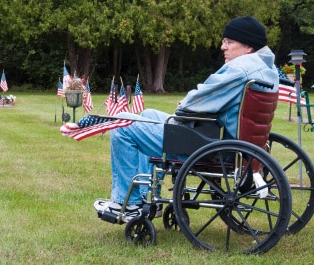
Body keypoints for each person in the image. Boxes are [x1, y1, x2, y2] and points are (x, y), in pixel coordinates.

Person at [94, 15, 280, 221]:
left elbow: (202, 98)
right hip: (233, 146)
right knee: (147, 115)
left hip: (209, 148)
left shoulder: (241, 67)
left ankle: (128, 204)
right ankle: (143, 199)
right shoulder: (267, 69)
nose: (222, 47)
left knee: (121, 122)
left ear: (248, 47)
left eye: (229, 42)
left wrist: (184, 105)